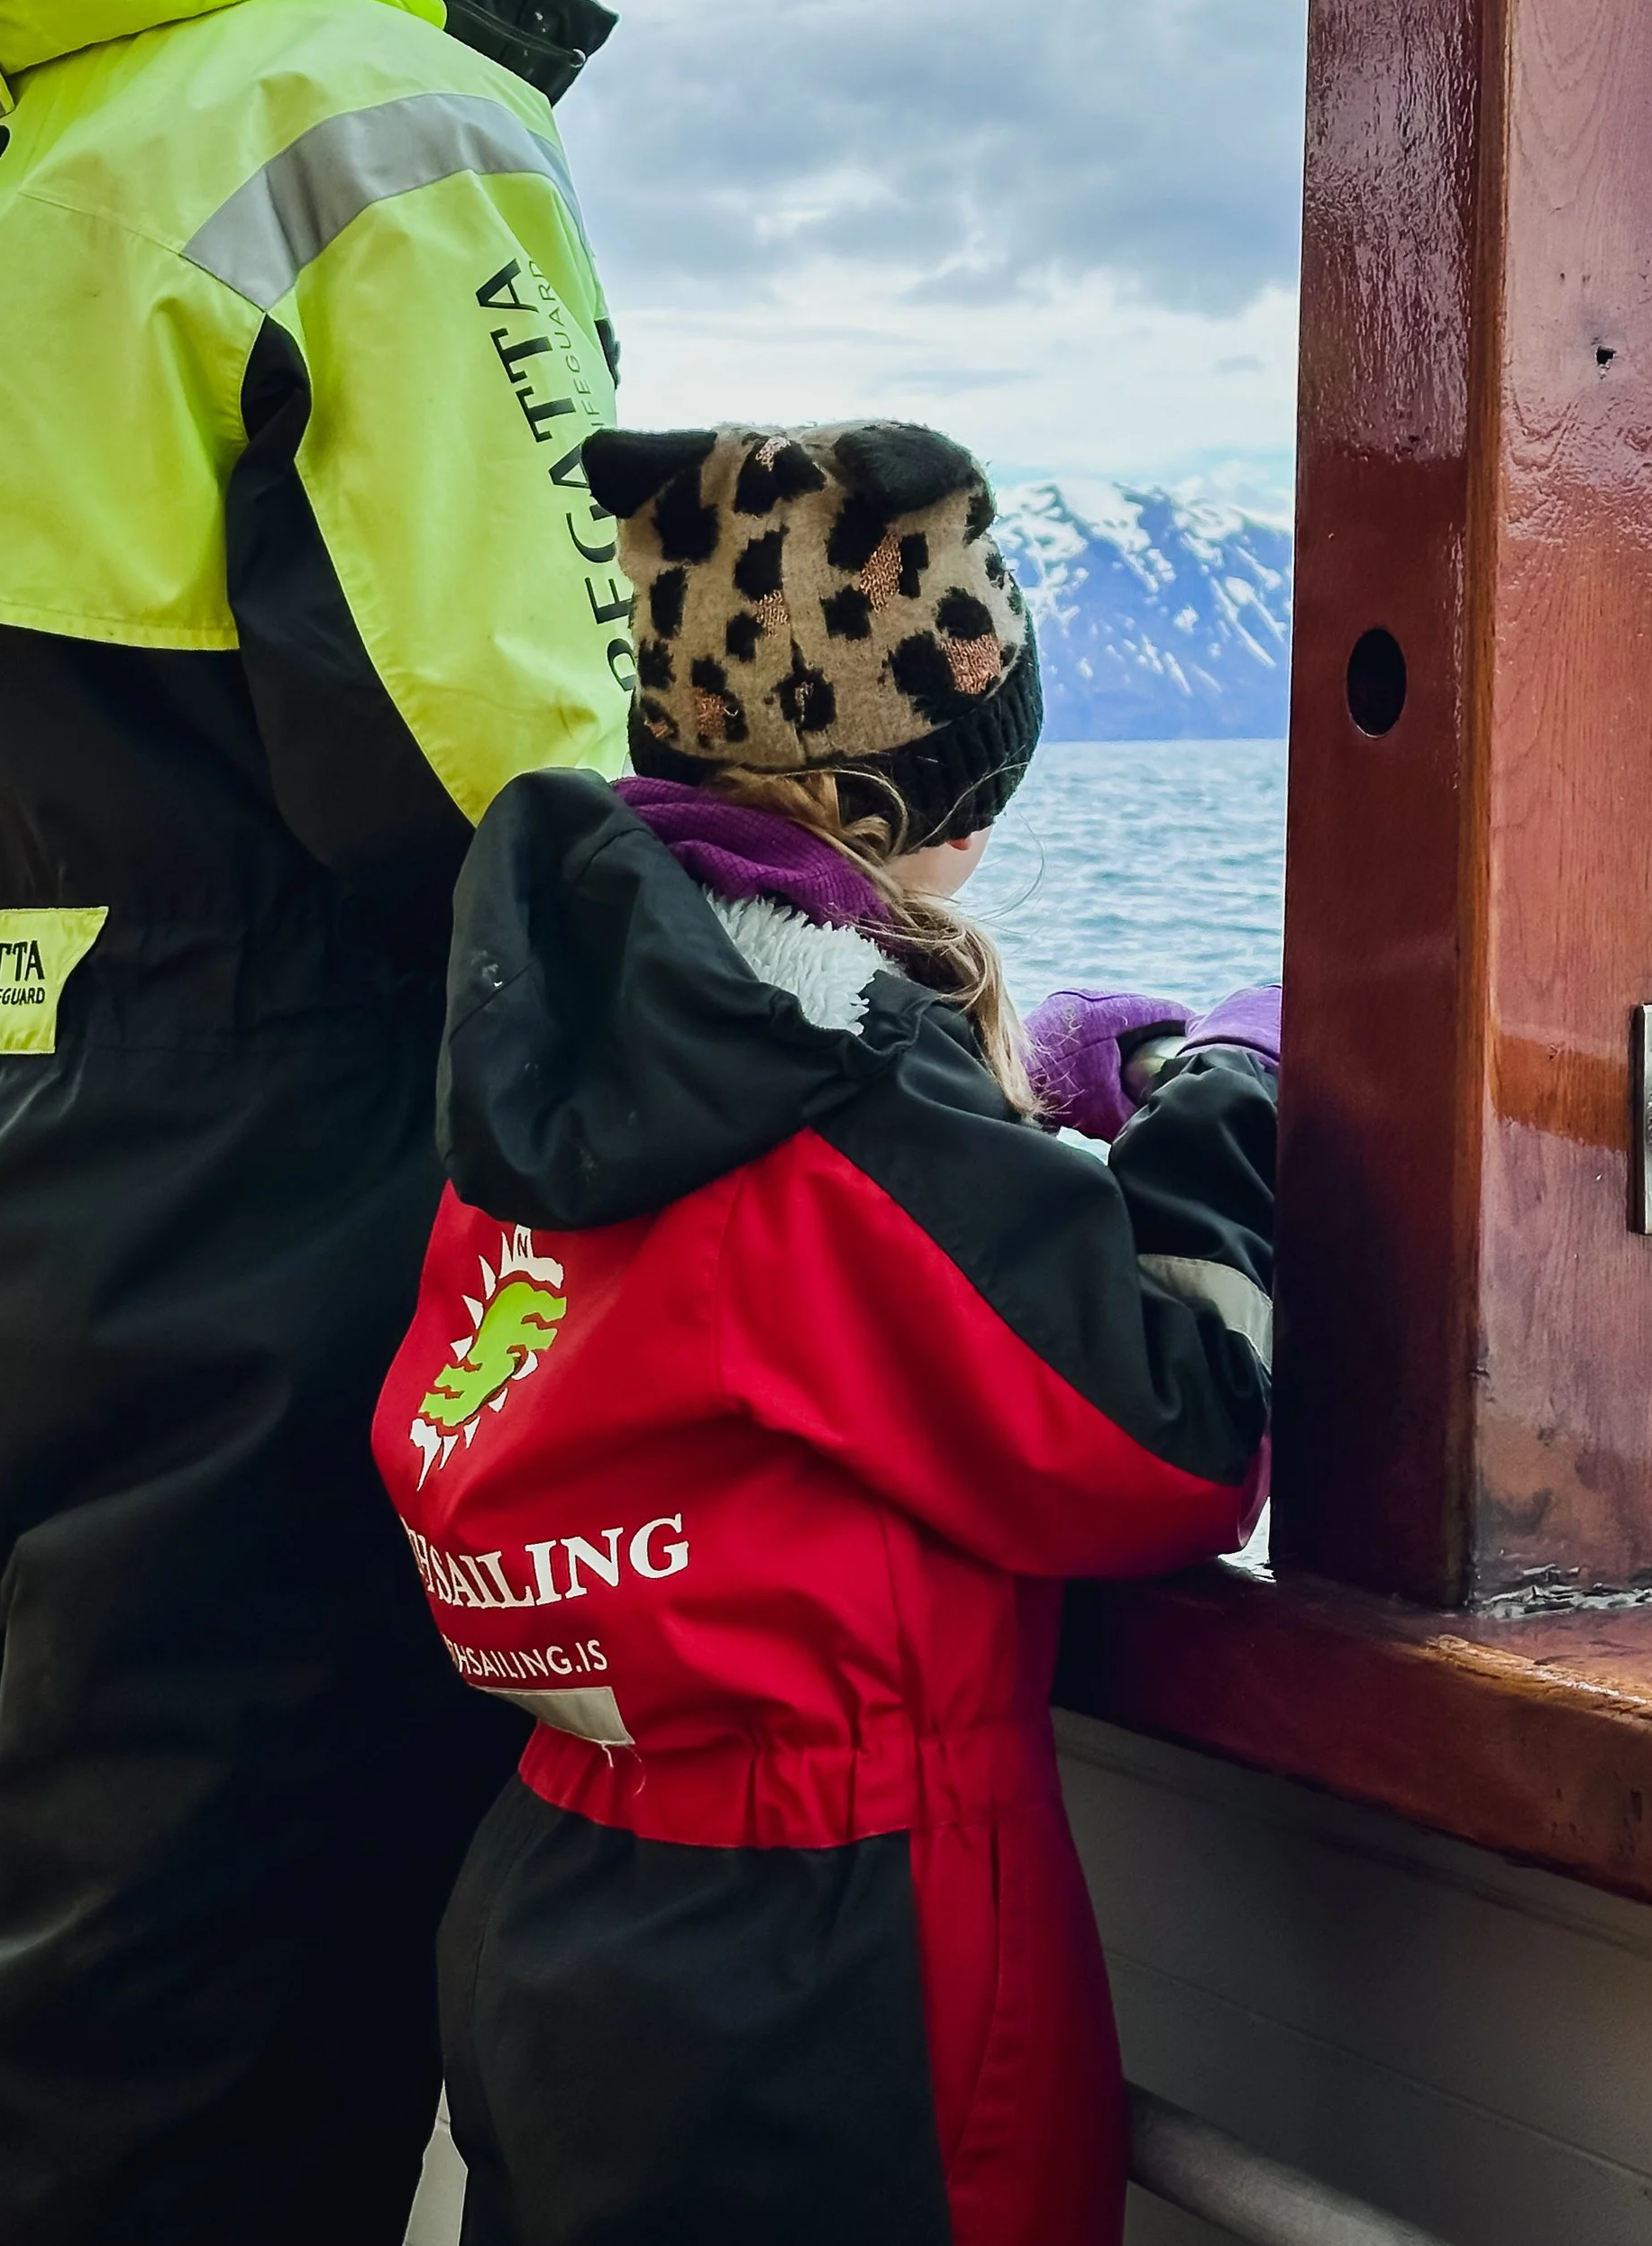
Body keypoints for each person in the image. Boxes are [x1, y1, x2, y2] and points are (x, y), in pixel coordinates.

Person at [0, 0, 628, 2245]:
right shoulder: (389, 106)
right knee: (204, 2104)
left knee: (110, 2035)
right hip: (256, 1211)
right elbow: (517, 758)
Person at [370, 420, 1279, 2246]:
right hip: (826, 1958)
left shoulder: (573, 1023)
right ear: (902, 805)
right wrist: (1227, 1101)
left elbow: (754, 1314)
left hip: (564, 1894)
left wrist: (994, 1111)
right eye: (974, 795)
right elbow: (1171, 1433)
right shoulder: (828, 1111)